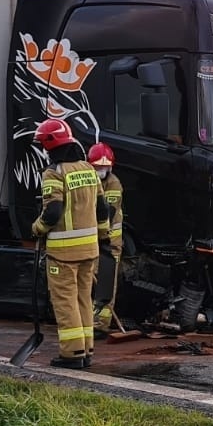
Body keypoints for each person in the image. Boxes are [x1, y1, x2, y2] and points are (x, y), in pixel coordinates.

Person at [31, 117, 107, 368]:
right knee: (84, 299)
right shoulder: (88, 169)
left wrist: (38, 228)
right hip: (90, 250)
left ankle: (72, 354)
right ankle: (86, 351)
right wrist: (103, 235)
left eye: (44, 146)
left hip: (64, 253)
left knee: (65, 302)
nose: (44, 151)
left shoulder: (54, 173)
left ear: (52, 146)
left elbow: (52, 211)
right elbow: (102, 208)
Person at [89, 141, 125, 334]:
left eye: (104, 167)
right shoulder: (90, 181)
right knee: (91, 280)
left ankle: (101, 323)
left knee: (106, 282)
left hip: (109, 243)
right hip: (92, 240)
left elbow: (107, 214)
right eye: (97, 167)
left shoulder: (113, 184)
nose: (101, 170)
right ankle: (89, 319)